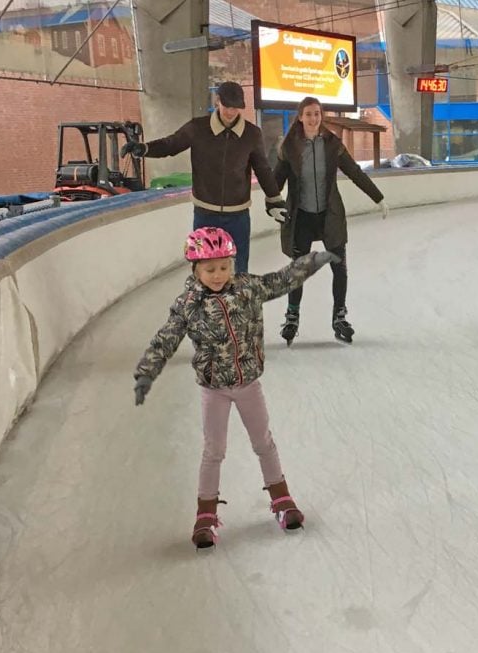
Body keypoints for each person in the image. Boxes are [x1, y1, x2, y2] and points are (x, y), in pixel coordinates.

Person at [133, 227, 340, 549]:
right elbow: (166, 338)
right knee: (213, 451)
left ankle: (281, 499)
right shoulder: (188, 303)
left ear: (233, 264)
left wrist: (313, 261)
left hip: (248, 384)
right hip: (213, 389)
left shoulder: (246, 289)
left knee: (264, 442)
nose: (218, 275)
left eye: (224, 267)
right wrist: (146, 373)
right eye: (210, 269)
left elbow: (280, 280)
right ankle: (205, 515)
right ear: (195, 269)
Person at [121, 82, 287, 273]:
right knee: (203, 267)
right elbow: (170, 145)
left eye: (236, 107)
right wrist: (144, 148)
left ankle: (237, 303)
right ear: (218, 102)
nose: (231, 112)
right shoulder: (197, 128)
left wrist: (274, 201)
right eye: (227, 106)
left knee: (239, 269)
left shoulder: (251, 134)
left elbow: (263, 169)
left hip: (238, 216)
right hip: (205, 214)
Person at [273, 96, 388, 345]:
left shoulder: (332, 144)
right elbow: (275, 181)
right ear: (301, 117)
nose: (313, 118)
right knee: (298, 269)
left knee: (339, 266)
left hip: (330, 215)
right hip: (301, 216)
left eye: (317, 113)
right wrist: (272, 205)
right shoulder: (289, 147)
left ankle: (339, 316)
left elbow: (354, 171)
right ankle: (292, 316)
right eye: (309, 114)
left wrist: (377, 197)